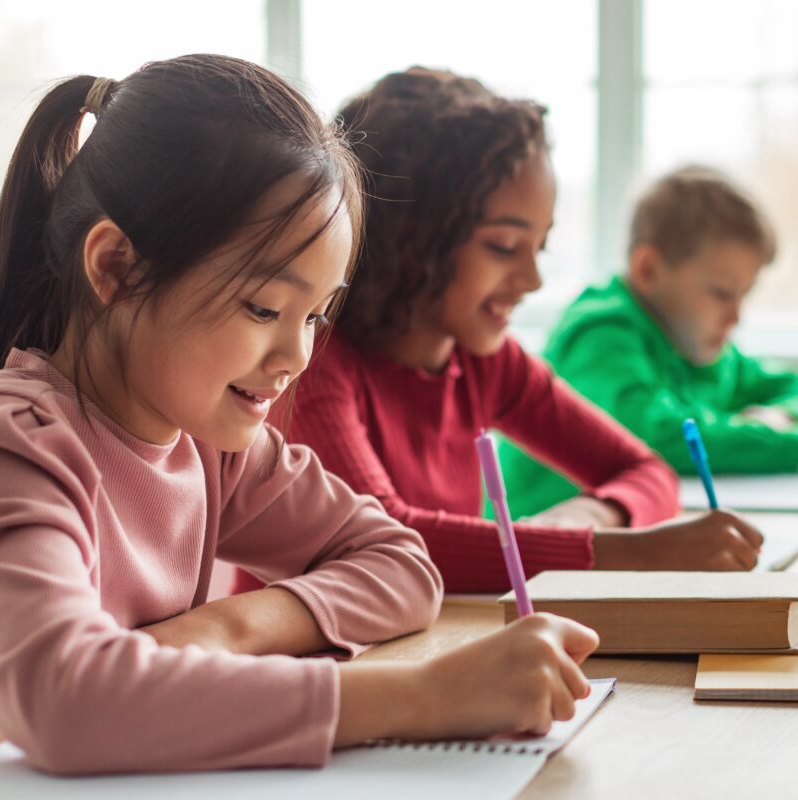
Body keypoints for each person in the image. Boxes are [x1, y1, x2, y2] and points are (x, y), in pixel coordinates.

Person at [0, 55, 599, 775]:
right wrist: (422, 696)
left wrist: (225, 626)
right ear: (117, 268)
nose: (296, 354)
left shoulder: (212, 447)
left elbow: (403, 564)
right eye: (264, 308)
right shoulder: (23, 451)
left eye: (315, 315)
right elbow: (70, 702)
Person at [234, 69, 763, 598]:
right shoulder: (312, 361)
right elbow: (386, 544)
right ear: (412, 239)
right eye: (505, 247)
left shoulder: (485, 361)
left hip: (431, 650)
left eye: (540, 247)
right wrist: (627, 552)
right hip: (306, 671)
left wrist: (592, 514)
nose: (532, 280)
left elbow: (647, 470)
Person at [500, 165, 798, 517]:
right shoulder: (600, 335)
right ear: (648, 270)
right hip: (527, 559)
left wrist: (777, 414)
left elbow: (787, 385)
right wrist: (757, 432)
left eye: (743, 295)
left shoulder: (701, 349)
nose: (736, 317)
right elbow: (657, 440)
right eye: (721, 293)